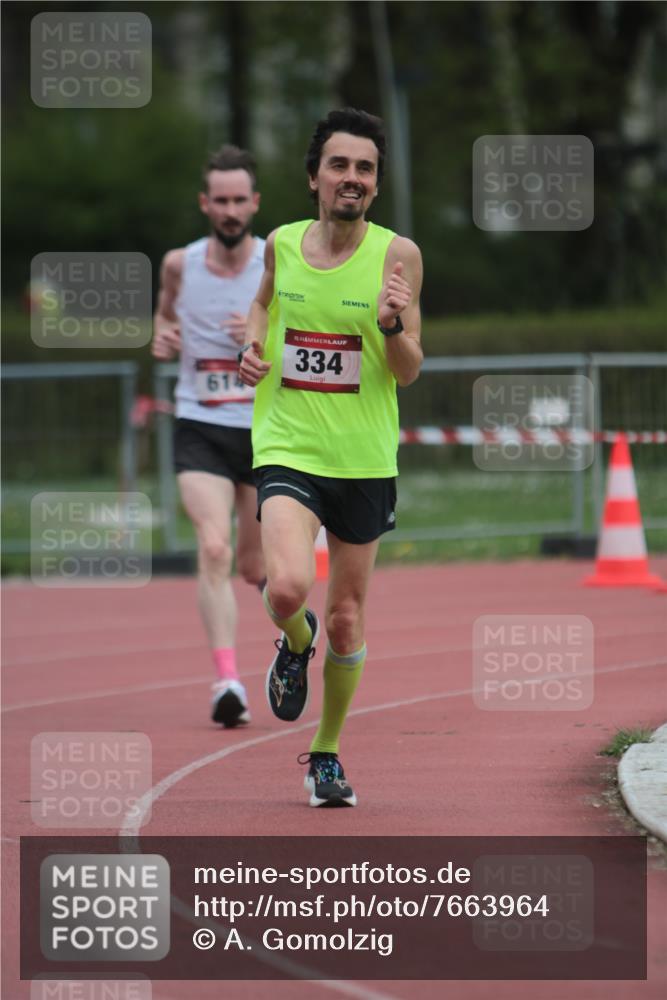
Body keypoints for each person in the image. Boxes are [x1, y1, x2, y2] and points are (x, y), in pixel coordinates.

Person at [239, 108, 423, 806]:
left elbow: (408, 370)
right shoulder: (281, 244)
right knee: (287, 588)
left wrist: (391, 325)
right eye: (339, 165)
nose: (352, 177)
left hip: (364, 460)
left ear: (376, 184)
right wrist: (250, 347)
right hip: (288, 445)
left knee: (346, 618)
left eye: (365, 168)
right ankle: (295, 640)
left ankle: (325, 754)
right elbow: (261, 307)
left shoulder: (398, 255)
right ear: (313, 176)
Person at [152, 145, 266, 728]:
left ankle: (294, 639)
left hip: (265, 430)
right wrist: (161, 335)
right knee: (214, 549)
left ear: (255, 203)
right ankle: (228, 682)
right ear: (205, 203)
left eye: (238, 200)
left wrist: (261, 334)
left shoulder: (278, 262)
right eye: (220, 200)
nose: (229, 210)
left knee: (255, 567)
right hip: (200, 423)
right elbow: (165, 315)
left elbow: (311, 337)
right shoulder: (180, 264)